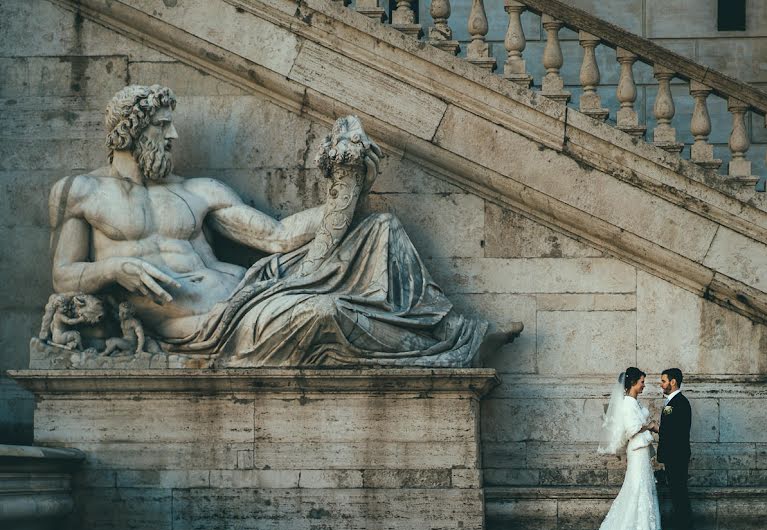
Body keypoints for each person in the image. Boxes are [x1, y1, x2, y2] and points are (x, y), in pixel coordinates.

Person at [46, 84, 521, 366]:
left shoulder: (198, 190)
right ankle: (451, 349)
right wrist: (113, 270)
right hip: (205, 326)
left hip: (252, 291)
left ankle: (450, 333)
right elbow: (64, 274)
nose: (173, 136)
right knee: (324, 312)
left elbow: (275, 236)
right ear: (130, 130)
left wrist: (344, 190)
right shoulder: (81, 192)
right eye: (162, 126)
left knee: (379, 230)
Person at [544, 367, 662, 530]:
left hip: (641, 453)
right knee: (637, 489)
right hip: (637, 451)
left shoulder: (633, 402)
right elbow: (631, 429)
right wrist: (649, 425)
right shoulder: (627, 403)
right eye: (642, 381)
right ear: (633, 383)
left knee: (642, 488)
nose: (644, 385)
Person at [648, 367, 694, 530]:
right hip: (674, 456)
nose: (661, 384)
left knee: (679, 494)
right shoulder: (673, 402)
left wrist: (656, 428)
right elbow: (672, 429)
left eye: (663, 381)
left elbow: (675, 432)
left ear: (673, 382)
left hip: (677, 456)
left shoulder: (679, 403)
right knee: (677, 494)